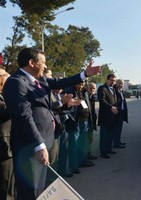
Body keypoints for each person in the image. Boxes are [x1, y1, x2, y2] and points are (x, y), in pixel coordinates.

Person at [2, 47, 100, 199]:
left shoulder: (40, 80)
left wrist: (85, 74)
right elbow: (24, 117)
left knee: (41, 190)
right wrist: (38, 145)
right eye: (43, 62)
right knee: (31, 191)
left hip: (43, 142)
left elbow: (61, 82)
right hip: (30, 147)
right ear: (31, 63)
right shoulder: (16, 83)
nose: (46, 66)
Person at [63, 83, 95, 174]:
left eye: (83, 82)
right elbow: (65, 108)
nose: (81, 84)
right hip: (75, 122)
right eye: (80, 82)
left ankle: (82, 161)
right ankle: (73, 166)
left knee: (82, 143)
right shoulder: (69, 91)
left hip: (85, 121)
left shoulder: (83, 91)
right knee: (74, 144)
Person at [0, 68, 16, 200]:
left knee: (10, 183)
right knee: (6, 184)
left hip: (8, 146)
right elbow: (7, 111)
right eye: (7, 77)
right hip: (3, 148)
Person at [97, 74, 118, 159]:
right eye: (112, 80)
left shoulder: (113, 89)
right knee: (104, 135)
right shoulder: (102, 88)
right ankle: (103, 152)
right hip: (105, 117)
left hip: (112, 116)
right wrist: (111, 107)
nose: (113, 82)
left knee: (110, 135)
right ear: (107, 80)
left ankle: (109, 149)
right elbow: (102, 100)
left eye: (114, 81)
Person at [113, 79, 128, 148]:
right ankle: (116, 144)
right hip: (117, 113)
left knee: (119, 128)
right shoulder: (114, 91)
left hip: (122, 112)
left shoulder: (122, 91)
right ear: (116, 83)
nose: (121, 85)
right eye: (119, 83)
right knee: (116, 129)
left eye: (122, 84)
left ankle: (118, 141)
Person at [85, 82, 98, 160]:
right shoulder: (85, 95)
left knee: (90, 139)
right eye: (90, 88)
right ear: (87, 88)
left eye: (93, 88)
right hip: (85, 121)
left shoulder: (92, 97)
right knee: (84, 140)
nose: (92, 90)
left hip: (91, 121)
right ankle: (84, 156)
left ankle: (88, 153)